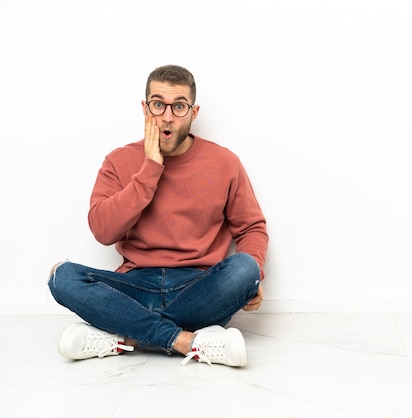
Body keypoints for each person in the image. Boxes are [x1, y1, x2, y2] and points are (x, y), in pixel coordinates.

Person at [48, 65, 268, 367]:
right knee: (62, 276)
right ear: (144, 107)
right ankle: (187, 341)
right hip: (135, 286)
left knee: (245, 267)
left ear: (193, 112)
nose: (167, 116)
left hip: (198, 287)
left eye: (178, 106)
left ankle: (126, 336)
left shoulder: (225, 162)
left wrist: (254, 277)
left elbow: (252, 228)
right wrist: (151, 167)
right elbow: (102, 230)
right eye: (157, 104)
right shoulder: (118, 161)